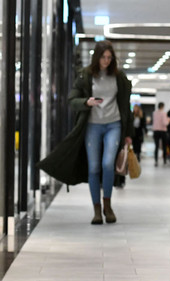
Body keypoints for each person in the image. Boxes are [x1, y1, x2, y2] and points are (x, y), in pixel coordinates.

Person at [38, 40, 133, 225]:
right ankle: (97, 209)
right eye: (103, 57)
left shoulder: (119, 77)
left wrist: (128, 132)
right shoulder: (85, 76)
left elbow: (125, 107)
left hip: (114, 124)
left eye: (109, 57)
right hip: (92, 125)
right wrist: (86, 102)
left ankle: (108, 205)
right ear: (96, 57)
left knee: (108, 164)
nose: (106, 60)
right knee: (94, 167)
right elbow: (71, 99)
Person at [152, 102, 170, 166]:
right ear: (162, 106)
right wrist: (168, 119)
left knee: (156, 146)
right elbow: (165, 123)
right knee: (164, 146)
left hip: (156, 131)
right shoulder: (163, 113)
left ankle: (156, 161)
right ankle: (164, 160)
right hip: (162, 131)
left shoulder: (154, 113)